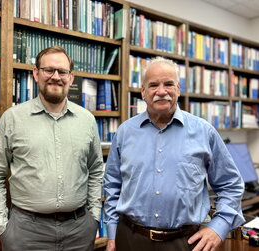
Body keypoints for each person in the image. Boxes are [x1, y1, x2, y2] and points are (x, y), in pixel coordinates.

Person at [103, 57, 245, 251]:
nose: (161, 91)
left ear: (178, 88)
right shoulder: (124, 133)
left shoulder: (204, 132)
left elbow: (231, 185)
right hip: (130, 239)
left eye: (168, 84)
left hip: (185, 242)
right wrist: (112, 233)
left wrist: (218, 227)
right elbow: (112, 186)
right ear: (143, 92)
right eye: (153, 85)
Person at [0, 46, 103, 251]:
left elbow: (96, 170)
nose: (56, 77)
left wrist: (94, 217)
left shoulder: (87, 120)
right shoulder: (13, 119)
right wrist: (3, 228)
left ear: (71, 78)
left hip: (79, 232)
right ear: (36, 73)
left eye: (62, 72)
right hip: (26, 233)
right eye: (49, 70)